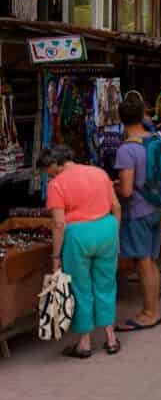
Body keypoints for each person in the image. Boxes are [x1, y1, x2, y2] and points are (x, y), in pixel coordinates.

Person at [39, 146, 122, 358]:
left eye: (49, 172)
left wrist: (56, 256)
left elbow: (59, 224)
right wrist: (115, 233)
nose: (50, 176)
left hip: (78, 237)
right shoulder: (99, 173)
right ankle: (110, 338)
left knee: (80, 288)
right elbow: (116, 206)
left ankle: (85, 344)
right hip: (106, 229)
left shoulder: (57, 184)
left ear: (56, 164)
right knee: (106, 285)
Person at [114, 93, 161, 332]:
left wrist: (111, 184)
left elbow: (125, 189)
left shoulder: (127, 150)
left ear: (121, 119)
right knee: (151, 262)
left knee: (143, 264)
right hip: (156, 207)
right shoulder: (155, 139)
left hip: (138, 211)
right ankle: (153, 309)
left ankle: (149, 313)